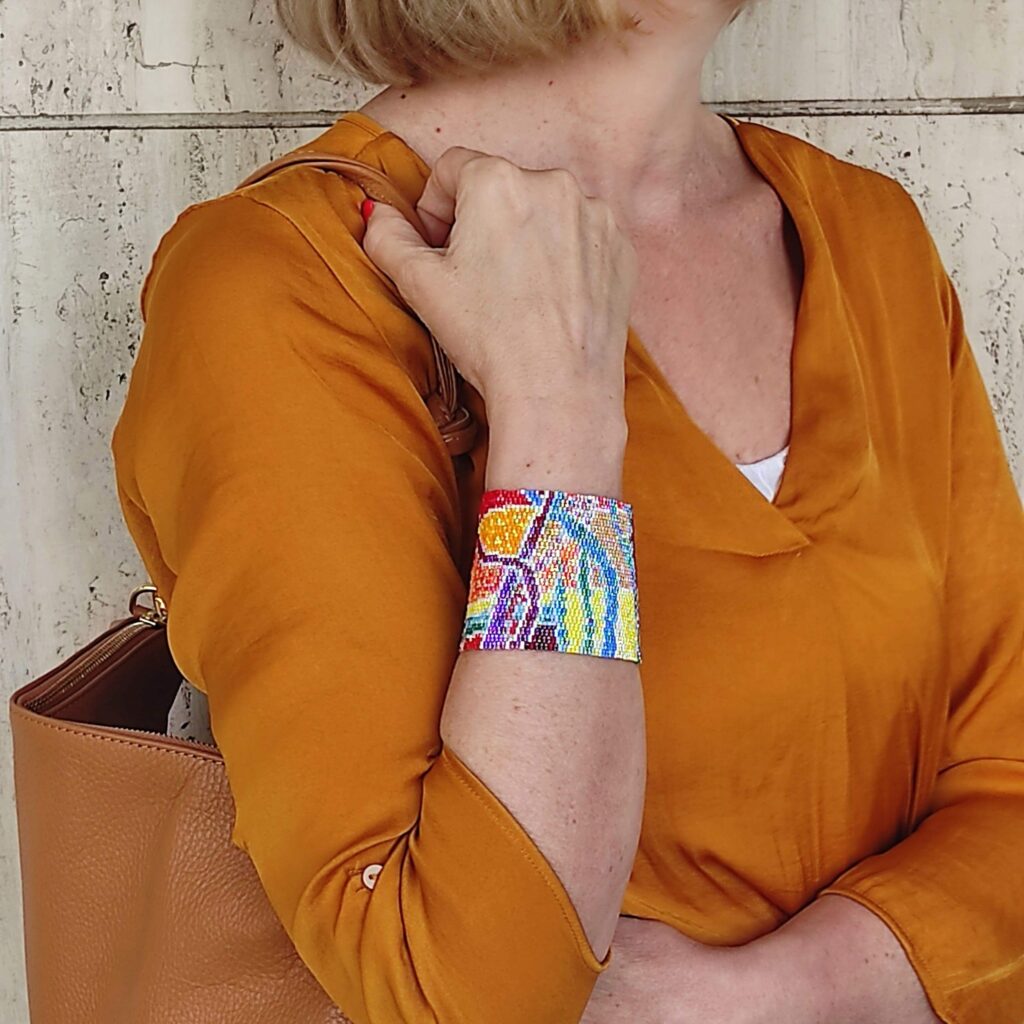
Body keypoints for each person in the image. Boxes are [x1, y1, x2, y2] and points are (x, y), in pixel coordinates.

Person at [110, 0, 1024, 1021]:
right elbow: (458, 990)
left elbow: (1010, 787)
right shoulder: (284, 284)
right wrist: (558, 415)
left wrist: (776, 993)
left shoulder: (867, 234)